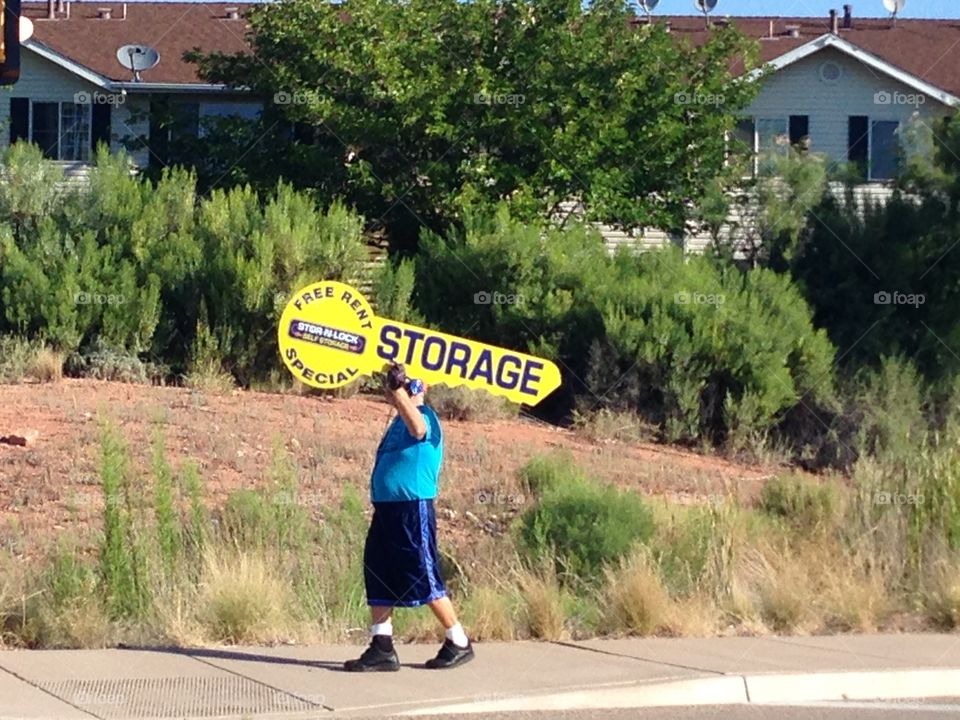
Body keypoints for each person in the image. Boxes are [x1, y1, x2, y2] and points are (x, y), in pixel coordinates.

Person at [344, 362, 474, 672]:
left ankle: (458, 640)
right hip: (387, 510)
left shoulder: (424, 417)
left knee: (421, 572)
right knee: (377, 570)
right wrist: (395, 393)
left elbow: (418, 429)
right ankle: (382, 646)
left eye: (401, 386)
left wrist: (399, 391)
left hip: (411, 508)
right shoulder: (397, 423)